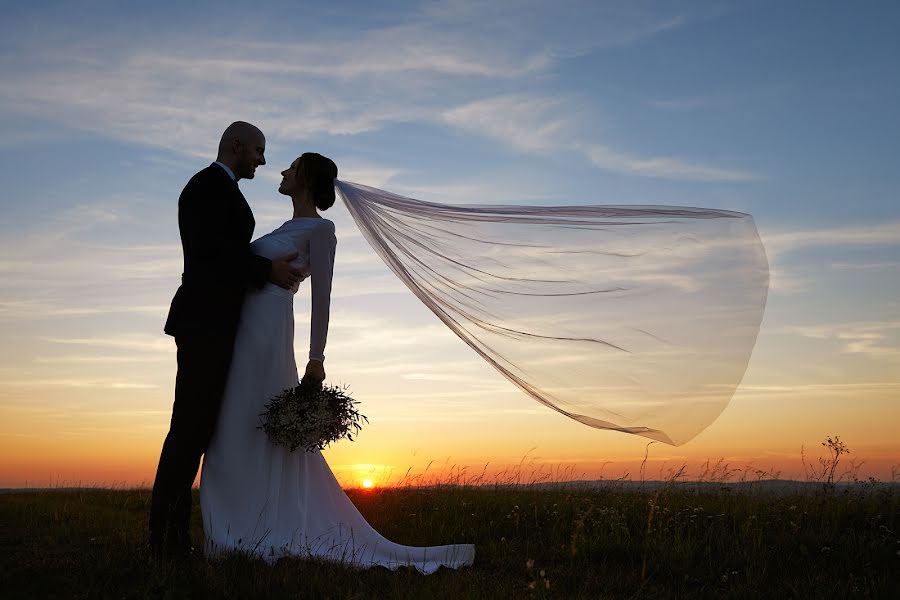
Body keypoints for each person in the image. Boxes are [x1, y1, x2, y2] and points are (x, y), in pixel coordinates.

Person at [199, 152, 475, 573]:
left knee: (254, 423)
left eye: (291, 167)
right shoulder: (281, 228)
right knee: (232, 426)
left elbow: (321, 298)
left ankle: (259, 527)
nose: (282, 171)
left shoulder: (321, 230)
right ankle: (234, 525)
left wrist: (315, 359)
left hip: (269, 332)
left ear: (306, 178)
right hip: (244, 331)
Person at [148, 122, 302, 558]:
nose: (263, 159)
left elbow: (228, 250)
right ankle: (165, 542)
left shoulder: (224, 189)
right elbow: (210, 254)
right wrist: (265, 272)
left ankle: (174, 537)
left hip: (219, 323)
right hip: (203, 323)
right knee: (188, 430)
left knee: (198, 430)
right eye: (258, 150)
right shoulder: (204, 188)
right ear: (236, 146)